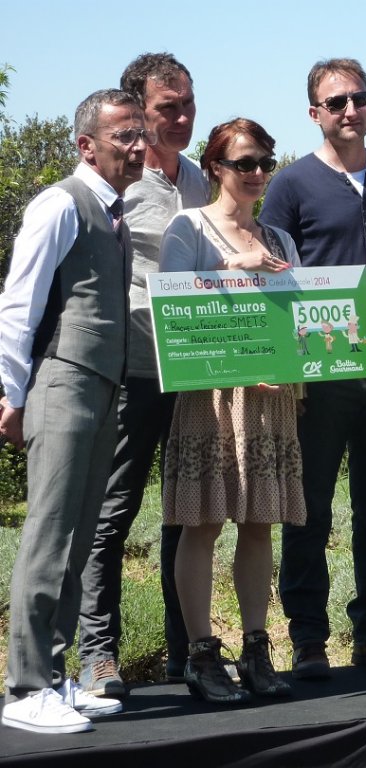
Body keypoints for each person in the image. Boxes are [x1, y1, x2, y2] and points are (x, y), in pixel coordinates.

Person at [261, 58, 366, 677]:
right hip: (319, 375)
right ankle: (307, 638)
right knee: (308, 511)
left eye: (359, 98)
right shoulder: (291, 185)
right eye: (335, 103)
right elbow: (270, 273)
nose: (349, 110)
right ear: (314, 114)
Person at [0, 88, 144, 734]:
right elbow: (17, 305)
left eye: (141, 133)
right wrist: (11, 394)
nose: (139, 146)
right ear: (87, 145)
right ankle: (27, 684)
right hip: (61, 388)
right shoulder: (61, 203)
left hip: (101, 393)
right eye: (124, 137)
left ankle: (56, 677)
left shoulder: (118, 215)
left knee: (79, 541)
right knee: (49, 538)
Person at [77, 53, 210, 699]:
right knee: (112, 514)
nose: (183, 117)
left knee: (186, 518)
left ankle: (188, 653)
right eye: (167, 107)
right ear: (136, 111)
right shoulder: (111, 184)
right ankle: (98, 655)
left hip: (197, 370)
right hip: (132, 369)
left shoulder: (202, 182)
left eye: (188, 103)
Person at [160, 118, 302, 704]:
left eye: (265, 163)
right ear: (215, 167)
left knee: (258, 523)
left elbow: (300, 318)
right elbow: (168, 309)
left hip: (271, 400)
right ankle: (199, 655)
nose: (257, 174)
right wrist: (231, 270)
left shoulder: (280, 238)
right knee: (203, 523)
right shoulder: (187, 227)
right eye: (244, 163)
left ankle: (256, 647)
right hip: (211, 397)